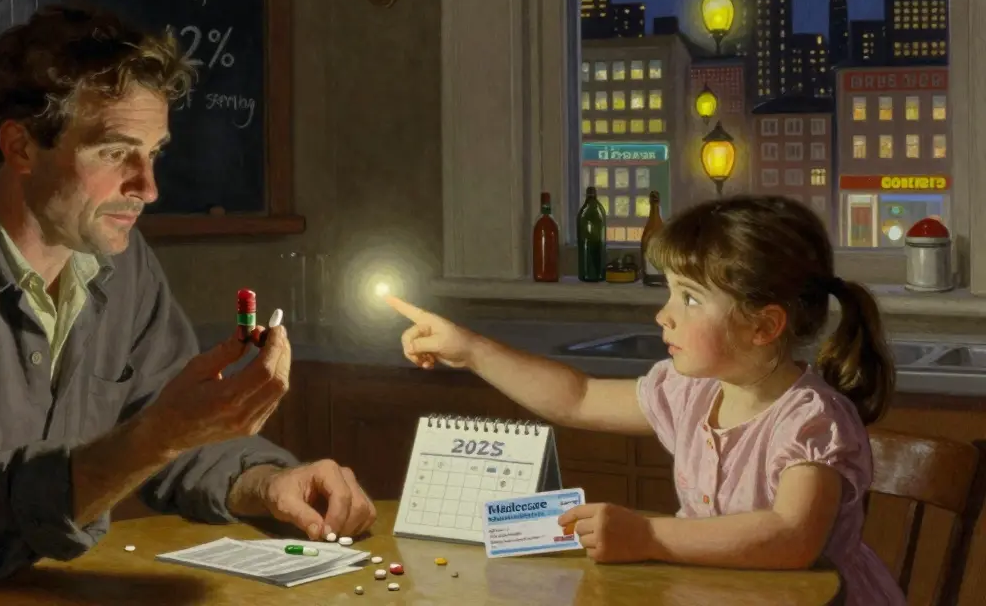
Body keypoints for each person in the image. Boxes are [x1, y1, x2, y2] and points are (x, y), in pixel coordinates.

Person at [0, 3, 375, 606]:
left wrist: (267, 483)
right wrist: (156, 436)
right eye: (113, 152)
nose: (148, 187)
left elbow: (170, 432)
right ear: (21, 147)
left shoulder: (119, 259)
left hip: (23, 594)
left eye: (153, 152)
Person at [388, 195, 905, 605]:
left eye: (691, 298)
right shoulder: (689, 393)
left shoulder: (810, 421)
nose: (664, 315)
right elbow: (578, 397)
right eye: (670, 292)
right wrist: (472, 350)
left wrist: (648, 537)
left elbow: (791, 538)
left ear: (763, 325)